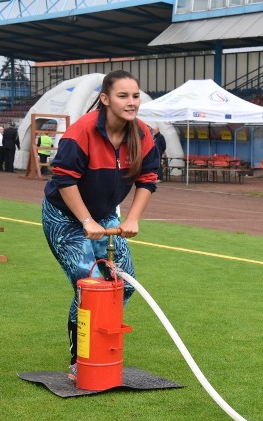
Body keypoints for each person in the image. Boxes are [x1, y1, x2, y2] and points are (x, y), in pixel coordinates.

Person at [42, 70, 160, 380]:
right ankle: (79, 358)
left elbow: (148, 179)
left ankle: (99, 344)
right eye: (123, 96)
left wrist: (132, 217)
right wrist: (85, 220)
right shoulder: (81, 132)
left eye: (135, 96)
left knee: (125, 283)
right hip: (65, 215)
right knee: (88, 281)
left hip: (106, 213)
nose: (131, 102)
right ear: (106, 99)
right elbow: (64, 179)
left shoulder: (144, 134)